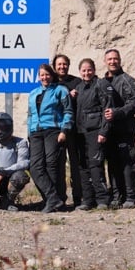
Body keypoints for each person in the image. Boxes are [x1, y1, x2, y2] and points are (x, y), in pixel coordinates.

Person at [27, 63, 73, 213]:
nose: (44, 77)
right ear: (38, 77)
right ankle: (52, 198)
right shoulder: (33, 93)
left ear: (52, 75)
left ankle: (53, 201)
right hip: (36, 132)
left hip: (53, 130)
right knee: (34, 166)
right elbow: (30, 115)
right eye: (42, 75)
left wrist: (64, 130)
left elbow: (68, 111)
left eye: (47, 74)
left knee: (51, 165)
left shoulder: (60, 90)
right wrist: (29, 132)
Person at [101, 48, 135, 208]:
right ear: (105, 62)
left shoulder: (128, 81)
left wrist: (117, 113)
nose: (112, 61)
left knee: (128, 163)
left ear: (120, 60)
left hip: (124, 129)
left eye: (115, 59)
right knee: (112, 164)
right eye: (109, 59)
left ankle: (132, 197)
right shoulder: (102, 82)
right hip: (109, 131)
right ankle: (117, 196)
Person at [74, 58, 110, 211]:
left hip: (95, 131)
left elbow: (107, 109)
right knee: (83, 167)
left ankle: (102, 199)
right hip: (81, 133)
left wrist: (103, 131)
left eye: (89, 70)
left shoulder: (100, 84)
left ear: (94, 70)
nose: (87, 73)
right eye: (84, 70)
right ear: (80, 72)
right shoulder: (79, 87)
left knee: (96, 165)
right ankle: (88, 200)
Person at [52, 54, 81, 207]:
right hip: (56, 129)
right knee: (58, 165)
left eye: (65, 64)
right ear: (54, 66)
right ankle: (60, 198)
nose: (62, 67)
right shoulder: (51, 83)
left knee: (76, 165)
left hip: (74, 130)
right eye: (59, 64)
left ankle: (78, 197)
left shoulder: (77, 82)